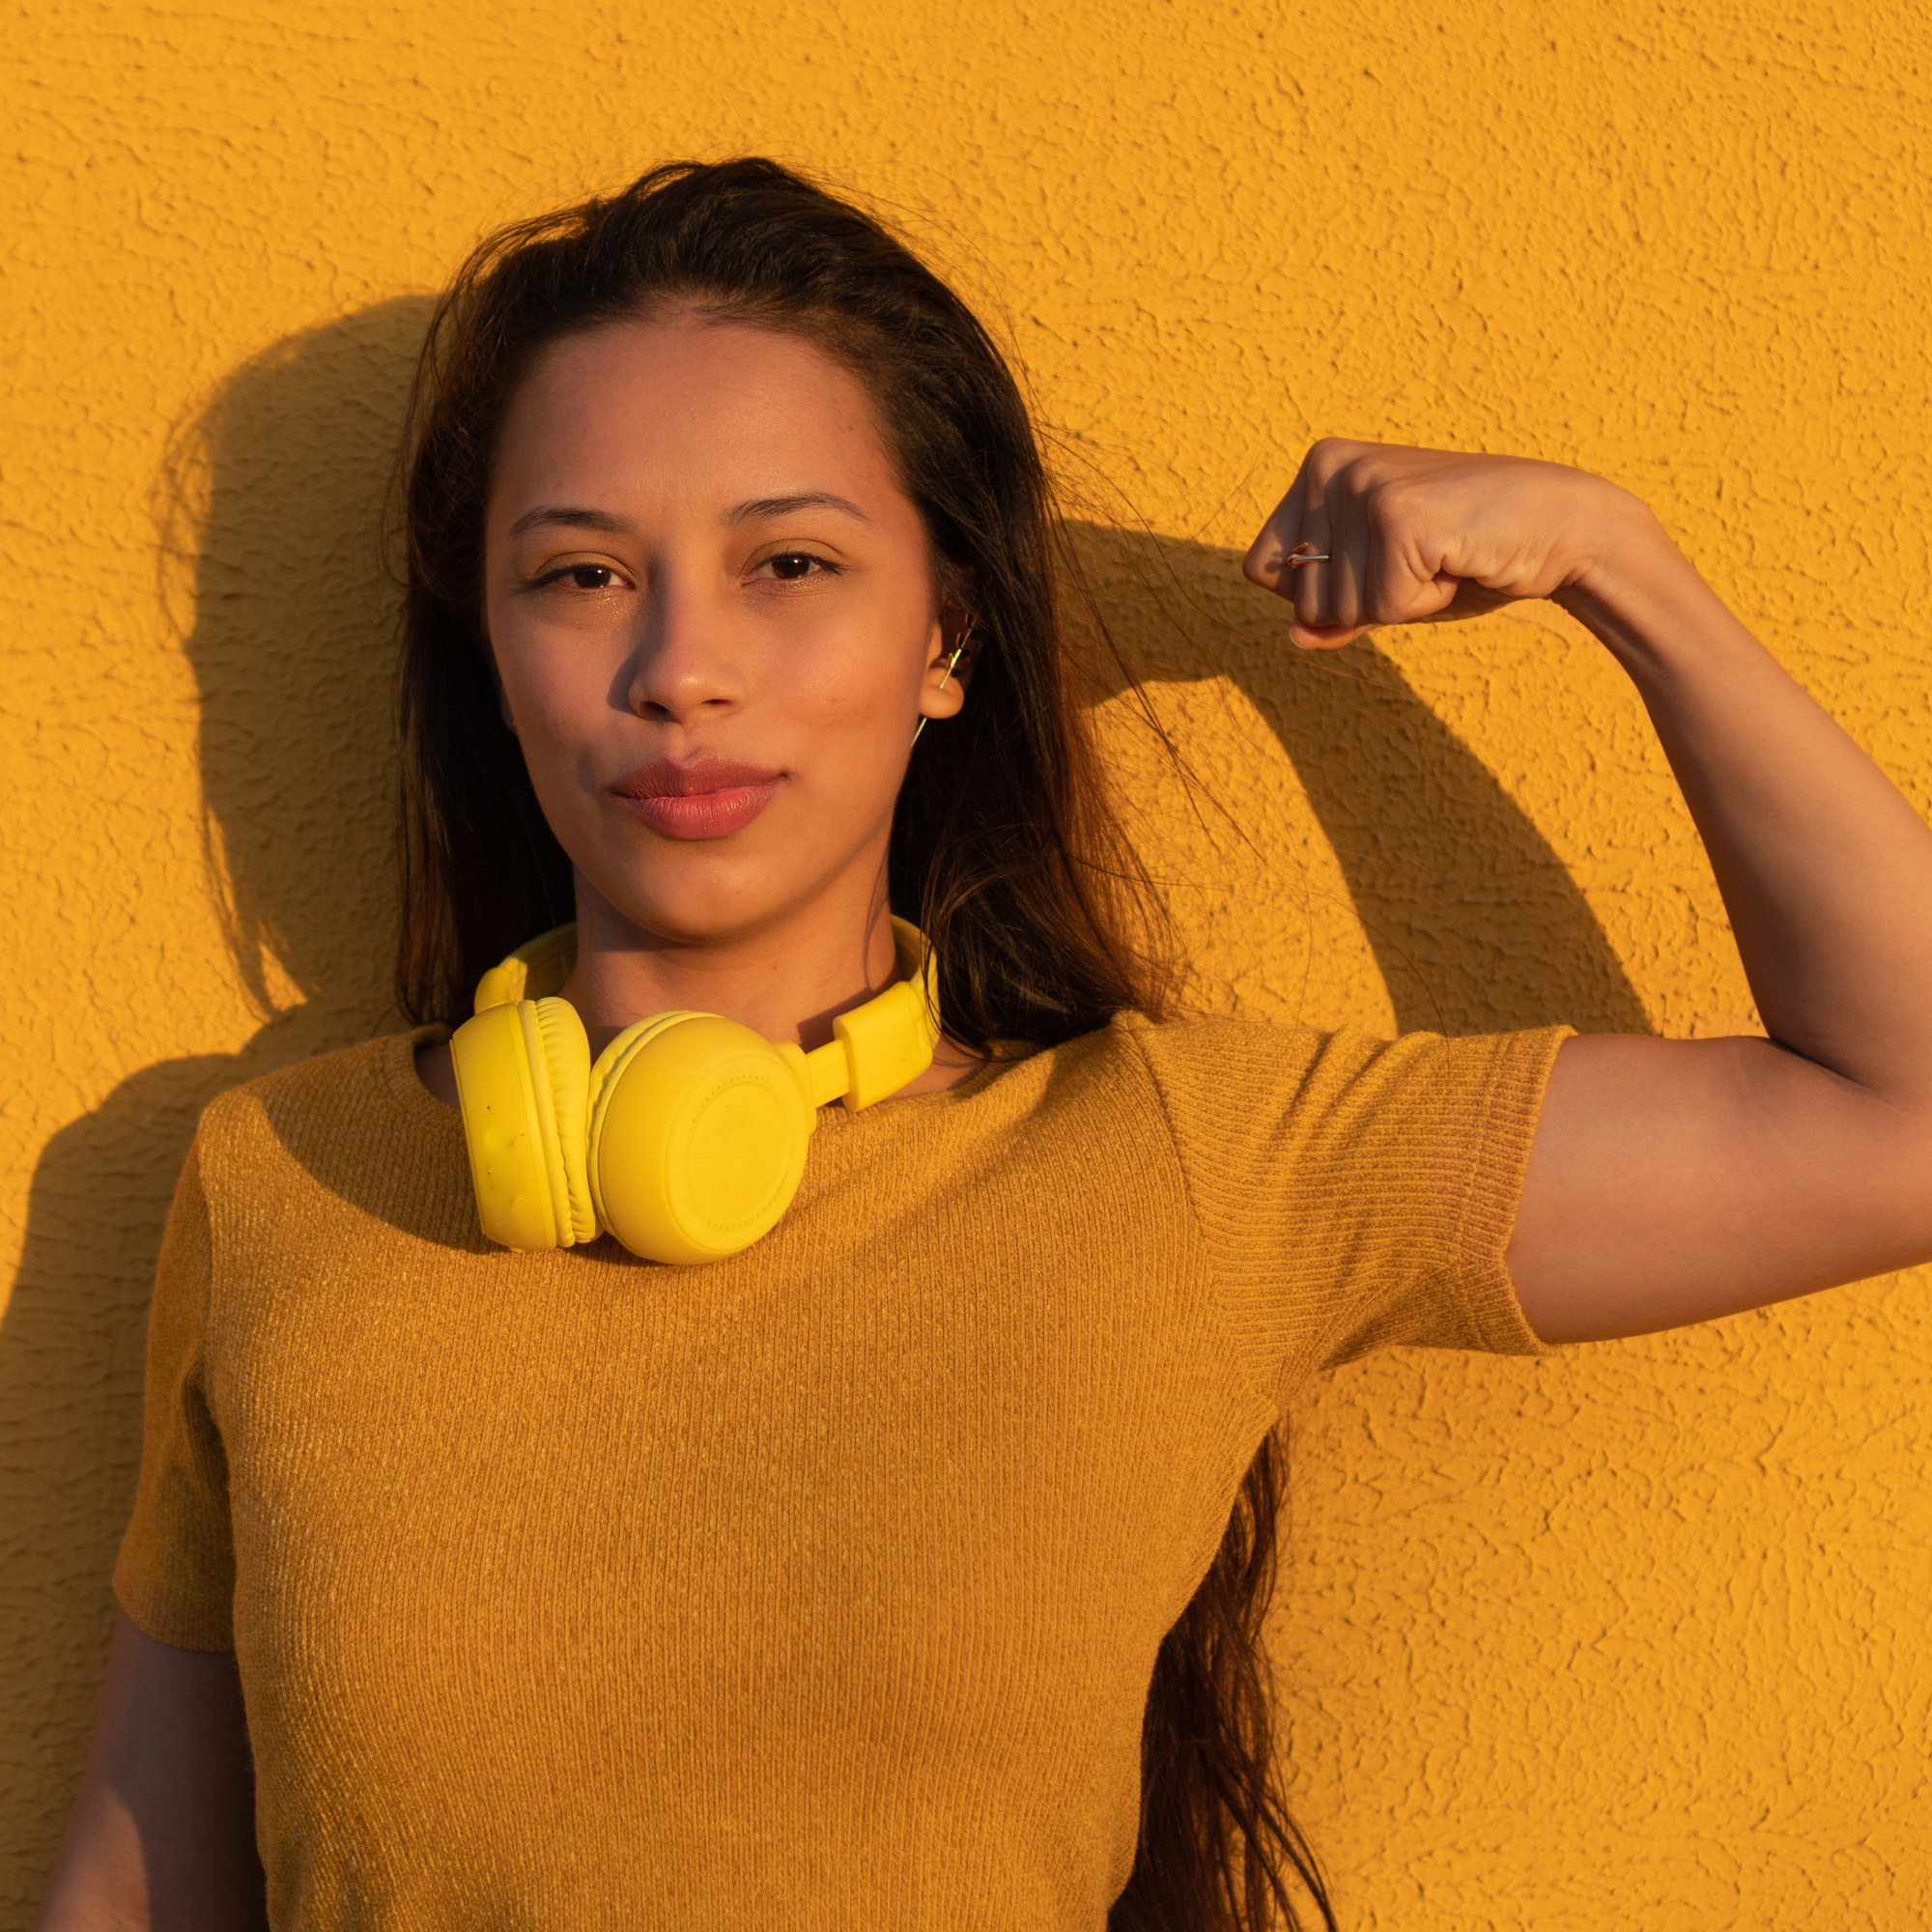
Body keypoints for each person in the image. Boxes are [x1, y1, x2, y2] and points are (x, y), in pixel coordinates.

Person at [33, 157, 1932, 1932]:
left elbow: (1899, 1112)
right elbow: (136, 1879)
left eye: (789, 565)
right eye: (582, 571)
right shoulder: (279, 1181)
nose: (680, 663)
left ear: (947, 635)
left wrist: (1618, 564)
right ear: (493, 647)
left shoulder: (1184, 1164)